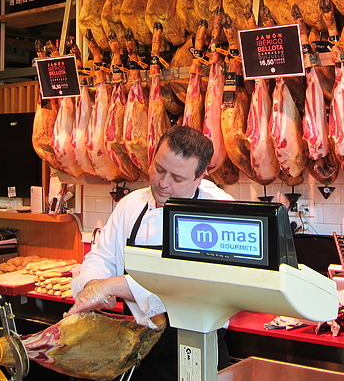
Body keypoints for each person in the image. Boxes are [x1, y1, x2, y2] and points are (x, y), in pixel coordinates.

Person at [69, 126, 234, 380]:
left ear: (200, 177)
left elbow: (188, 281)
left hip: (193, 350)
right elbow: (102, 256)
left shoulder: (219, 211)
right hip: (135, 348)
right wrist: (93, 285)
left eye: (177, 178)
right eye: (159, 169)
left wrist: (114, 286)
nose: (163, 183)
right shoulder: (131, 204)